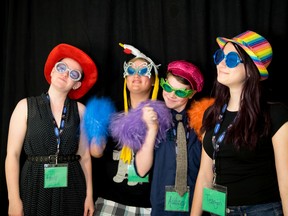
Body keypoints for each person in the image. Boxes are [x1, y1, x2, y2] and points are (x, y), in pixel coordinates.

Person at [190, 30, 288, 216]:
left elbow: (286, 181)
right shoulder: (211, 114)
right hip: (218, 211)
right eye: (220, 56)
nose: (221, 63)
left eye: (232, 59)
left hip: (261, 211)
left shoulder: (275, 114)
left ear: (251, 71)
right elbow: (204, 175)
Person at [5, 43, 97, 216]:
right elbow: (13, 155)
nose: (65, 73)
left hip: (72, 183)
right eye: (62, 67)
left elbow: (85, 156)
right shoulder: (25, 106)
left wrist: (89, 195)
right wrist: (14, 200)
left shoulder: (81, 111)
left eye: (73, 74)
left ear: (76, 85)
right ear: (53, 71)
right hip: (34, 182)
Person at [91, 43, 160, 215]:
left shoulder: (162, 115)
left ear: (153, 80)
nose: (136, 75)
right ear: (125, 77)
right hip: (111, 199)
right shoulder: (110, 110)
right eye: (131, 71)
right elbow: (96, 152)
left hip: (148, 204)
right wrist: (97, 130)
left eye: (144, 71)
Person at [135, 60, 205, 215]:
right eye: (167, 87)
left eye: (180, 92)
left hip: (197, 207)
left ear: (192, 93)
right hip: (161, 208)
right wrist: (152, 130)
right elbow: (140, 170)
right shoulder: (152, 118)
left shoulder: (202, 122)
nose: (171, 95)